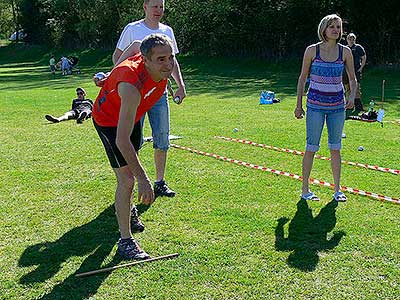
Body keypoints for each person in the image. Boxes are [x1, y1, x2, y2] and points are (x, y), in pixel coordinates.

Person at [92, 34, 175, 260]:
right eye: (161, 59)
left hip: (131, 116)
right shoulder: (130, 86)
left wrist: (110, 75)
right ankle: (126, 242)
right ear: (145, 61)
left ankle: (129, 211)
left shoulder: (153, 59)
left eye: (171, 57)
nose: (168, 64)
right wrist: (144, 179)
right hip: (108, 121)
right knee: (128, 179)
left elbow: (138, 44)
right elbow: (121, 140)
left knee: (132, 163)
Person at [112, 0, 186, 199]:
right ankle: (132, 184)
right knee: (132, 140)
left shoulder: (167, 31)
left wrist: (180, 85)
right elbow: (117, 57)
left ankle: (160, 182)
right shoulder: (132, 29)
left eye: (161, 7)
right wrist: (120, 81)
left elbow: (173, 60)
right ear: (145, 6)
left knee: (162, 138)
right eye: (155, 6)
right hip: (135, 95)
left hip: (159, 94)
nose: (158, 11)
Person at [294, 14, 356, 202]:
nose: (336, 30)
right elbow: (302, 78)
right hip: (315, 106)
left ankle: (337, 190)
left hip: (337, 107)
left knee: (335, 148)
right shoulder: (312, 51)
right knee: (311, 147)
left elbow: (352, 78)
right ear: (324, 29)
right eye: (331, 26)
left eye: (338, 27)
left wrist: (351, 96)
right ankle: (305, 190)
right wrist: (298, 105)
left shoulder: (345, 52)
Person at [345, 33, 366, 112]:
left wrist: (361, 68)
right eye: (350, 38)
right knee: (347, 89)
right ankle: (349, 106)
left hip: (356, 71)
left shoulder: (358, 47)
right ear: (347, 39)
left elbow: (364, 57)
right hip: (346, 72)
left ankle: (359, 107)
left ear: (355, 39)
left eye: (353, 38)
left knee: (356, 89)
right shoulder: (345, 48)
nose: (351, 40)